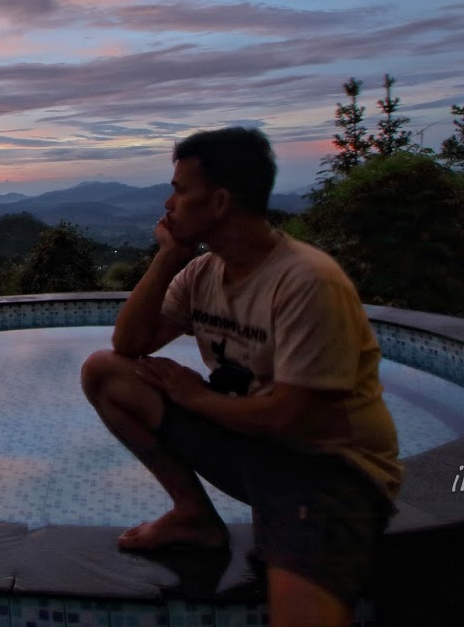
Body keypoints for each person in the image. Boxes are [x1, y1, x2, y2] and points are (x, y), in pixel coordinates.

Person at [80, 127, 400, 627]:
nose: (169, 201)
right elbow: (129, 346)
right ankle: (194, 517)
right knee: (106, 373)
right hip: (249, 444)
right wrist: (169, 255)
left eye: (181, 189)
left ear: (221, 201)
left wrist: (194, 397)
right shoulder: (203, 272)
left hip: (327, 472)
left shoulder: (306, 281)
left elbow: (291, 417)